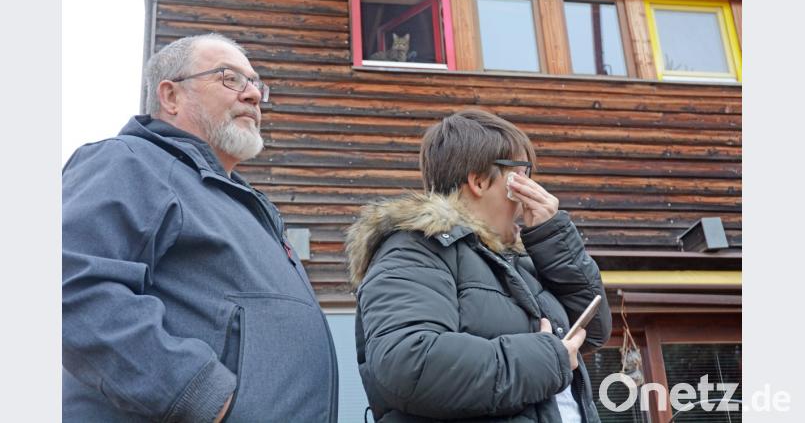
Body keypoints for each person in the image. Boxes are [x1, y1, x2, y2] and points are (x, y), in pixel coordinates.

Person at [62, 33, 338, 422]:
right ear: (171, 96)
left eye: (255, 83)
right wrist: (200, 394)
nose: (253, 95)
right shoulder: (130, 162)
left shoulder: (241, 202)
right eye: (230, 78)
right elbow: (70, 284)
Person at [346, 109, 611, 422]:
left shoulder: (516, 261)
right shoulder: (414, 250)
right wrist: (547, 358)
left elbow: (594, 331)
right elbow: (408, 364)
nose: (532, 188)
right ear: (480, 181)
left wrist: (552, 237)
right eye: (522, 173)